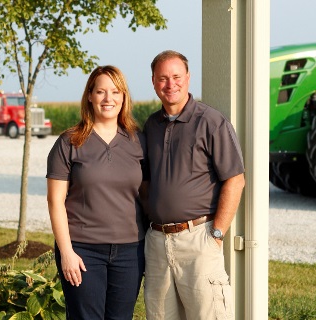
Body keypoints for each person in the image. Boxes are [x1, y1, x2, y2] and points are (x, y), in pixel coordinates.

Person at [142, 50, 245, 320]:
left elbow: (235, 180)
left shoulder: (211, 122)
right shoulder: (151, 125)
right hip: (157, 244)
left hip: (199, 239)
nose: (170, 84)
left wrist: (217, 234)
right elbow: (145, 181)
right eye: (162, 78)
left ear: (188, 78)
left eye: (176, 76)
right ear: (153, 81)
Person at [46, 65, 148, 320]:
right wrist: (66, 252)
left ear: (124, 97)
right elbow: (55, 201)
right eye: (100, 91)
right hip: (83, 250)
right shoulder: (69, 142)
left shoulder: (139, 142)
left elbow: (147, 194)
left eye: (115, 92)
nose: (108, 98)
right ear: (89, 95)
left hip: (129, 252)